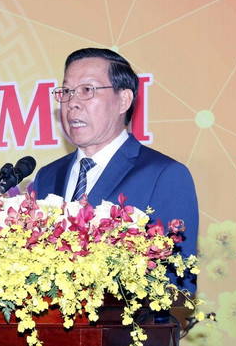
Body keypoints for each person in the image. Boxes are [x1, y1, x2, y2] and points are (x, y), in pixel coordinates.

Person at [30, 47, 198, 294]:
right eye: (66, 92)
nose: (72, 103)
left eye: (87, 90)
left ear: (123, 100)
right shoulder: (47, 176)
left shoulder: (164, 175)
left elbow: (179, 284)